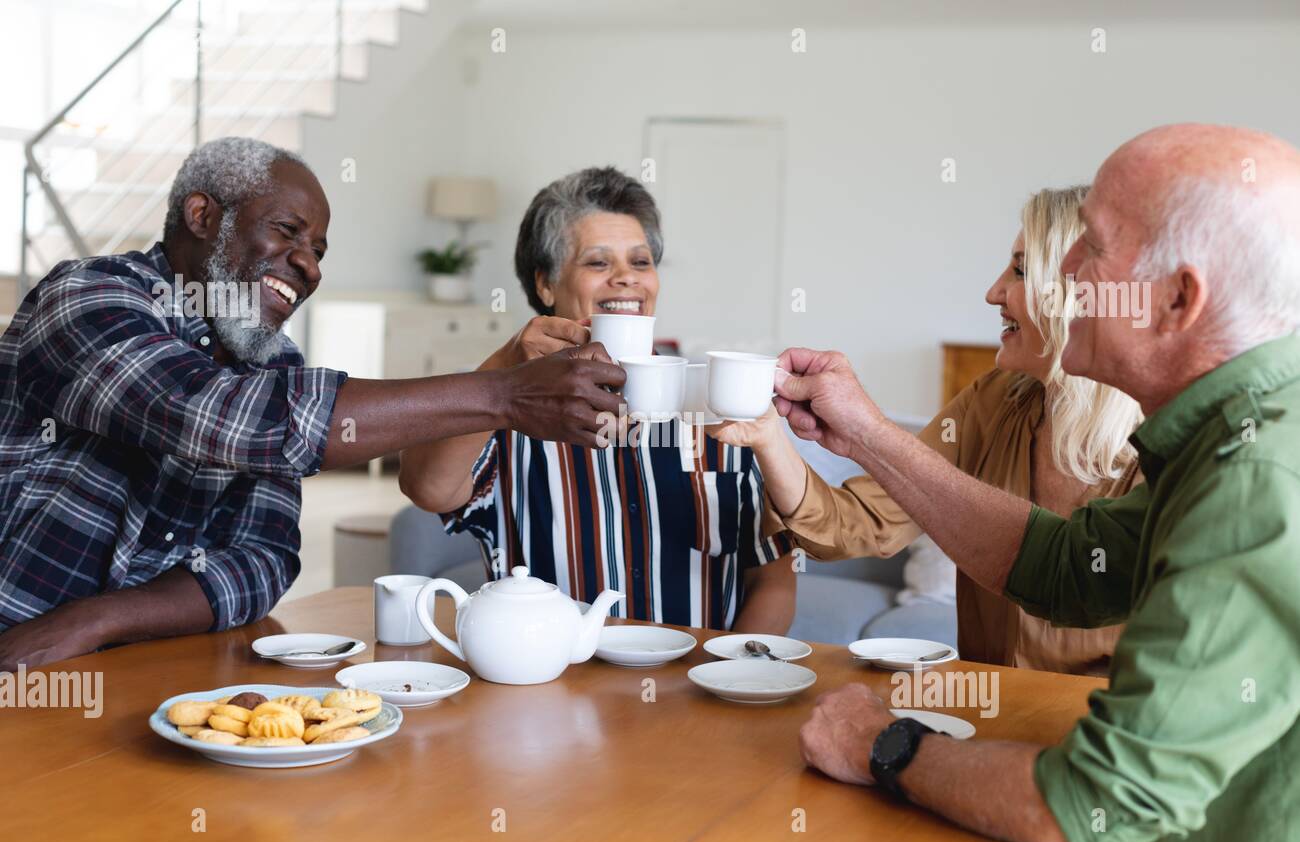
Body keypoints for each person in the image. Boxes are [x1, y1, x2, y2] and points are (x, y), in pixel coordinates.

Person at [785, 123, 1300, 842]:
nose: (1067, 271)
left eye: (1092, 244)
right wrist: (864, 432)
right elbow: (1064, 563)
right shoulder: (1232, 436)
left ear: (1178, 299)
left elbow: (1091, 811)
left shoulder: (1256, 483)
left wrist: (882, 743)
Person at [0, 137, 623, 671]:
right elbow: (225, 418)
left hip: (136, 666)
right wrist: (503, 396)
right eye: (287, 232)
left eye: (319, 250)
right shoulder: (86, 297)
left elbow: (263, 560)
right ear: (201, 215)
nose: (308, 266)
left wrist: (95, 621)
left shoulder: (277, 363)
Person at [709, 186, 1143, 675]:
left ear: (1077, 291)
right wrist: (769, 435)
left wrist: (866, 428)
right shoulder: (993, 401)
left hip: (1097, 731)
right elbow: (861, 524)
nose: (993, 292)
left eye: (1020, 271)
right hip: (993, 708)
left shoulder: (1162, 446)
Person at [399, 167, 795, 631]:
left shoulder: (715, 402)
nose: (627, 279)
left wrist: (729, 678)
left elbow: (774, 580)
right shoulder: (503, 406)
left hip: (696, 688)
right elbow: (425, 487)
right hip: (552, 687)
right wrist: (507, 367)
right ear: (545, 284)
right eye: (598, 262)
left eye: (641, 262)